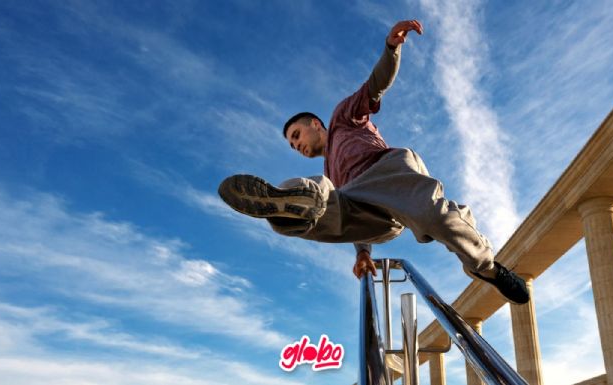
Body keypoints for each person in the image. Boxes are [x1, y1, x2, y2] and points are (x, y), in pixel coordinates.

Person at [218, 20, 529, 304]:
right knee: (324, 195)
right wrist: (363, 253)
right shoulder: (329, 173)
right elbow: (352, 222)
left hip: (386, 174)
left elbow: (375, 85)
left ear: (315, 124)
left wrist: (391, 49)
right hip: (362, 207)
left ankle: (486, 267)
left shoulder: (342, 118)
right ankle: (287, 207)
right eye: (291, 144)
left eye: (297, 135)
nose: (296, 144)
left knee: (437, 219)